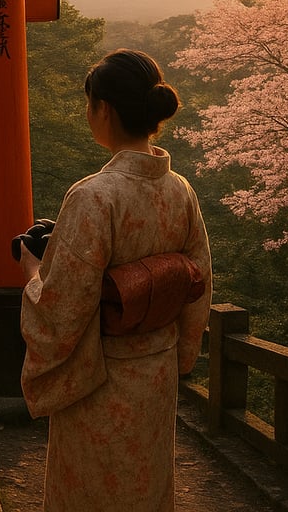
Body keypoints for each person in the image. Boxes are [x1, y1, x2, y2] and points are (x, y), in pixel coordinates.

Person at [18, 48, 213, 512]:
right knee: (146, 489)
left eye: (89, 104)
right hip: (157, 371)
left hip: (99, 379)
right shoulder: (180, 189)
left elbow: (62, 310)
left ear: (102, 108)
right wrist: (181, 356)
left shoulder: (94, 196)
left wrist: (31, 270)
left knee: (92, 491)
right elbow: (198, 284)